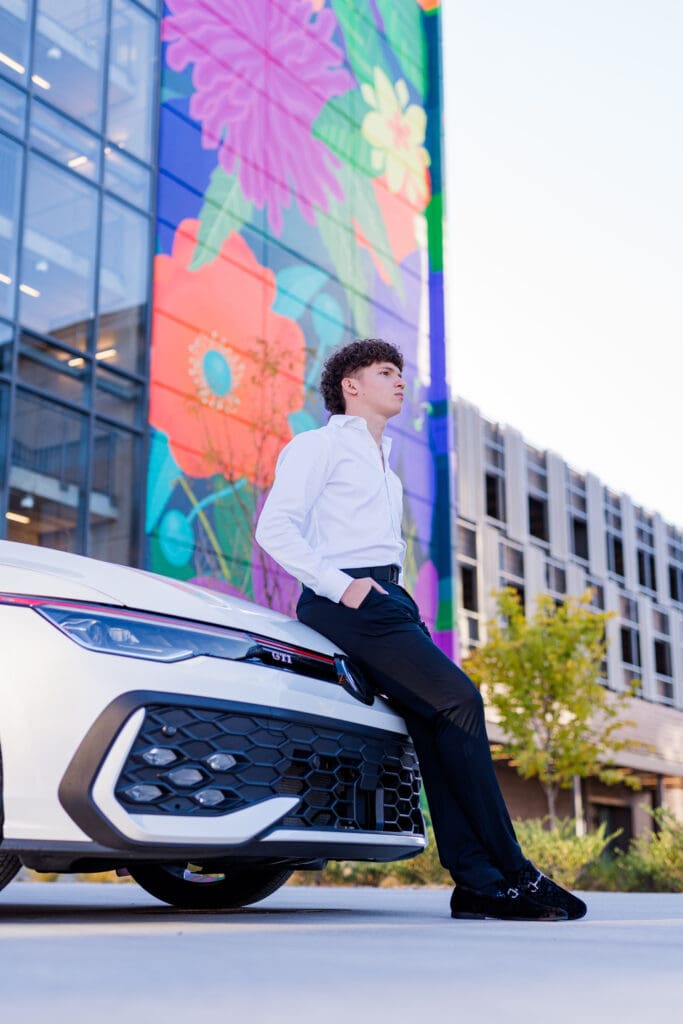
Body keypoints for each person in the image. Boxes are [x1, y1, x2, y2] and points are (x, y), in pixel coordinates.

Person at [255, 338, 586, 921]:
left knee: (437, 726)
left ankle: (478, 883)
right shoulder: (318, 446)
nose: (400, 381)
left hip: (387, 602)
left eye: (401, 373)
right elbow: (275, 528)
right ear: (351, 386)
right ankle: (513, 872)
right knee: (461, 700)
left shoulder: (386, 468)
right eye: (386, 372)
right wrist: (343, 586)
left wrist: (398, 600)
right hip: (349, 600)